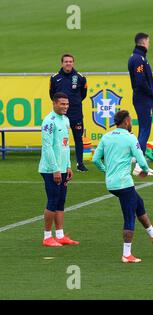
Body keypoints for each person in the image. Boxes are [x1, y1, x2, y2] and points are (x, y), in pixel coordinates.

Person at [92, 110, 153, 263]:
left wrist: (106, 170)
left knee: (138, 204)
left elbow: (96, 159)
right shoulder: (130, 138)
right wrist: (145, 170)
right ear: (126, 121)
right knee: (129, 217)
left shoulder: (106, 137)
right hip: (124, 183)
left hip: (111, 183)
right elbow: (140, 158)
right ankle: (126, 254)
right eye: (130, 120)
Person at [39, 92, 79, 247]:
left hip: (62, 168)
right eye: (62, 104)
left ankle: (60, 235)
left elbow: (65, 145)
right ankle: (47, 237)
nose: (65, 107)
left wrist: (68, 166)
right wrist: (55, 169)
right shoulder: (49, 121)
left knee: (61, 201)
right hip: (50, 169)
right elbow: (47, 147)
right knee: (53, 200)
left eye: (67, 104)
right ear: (54, 103)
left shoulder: (66, 120)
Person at [49, 54, 88, 172]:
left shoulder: (80, 78)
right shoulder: (55, 78)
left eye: (70, 61)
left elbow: (83, 94)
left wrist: (74, 103)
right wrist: (61, 107)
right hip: (60, 115)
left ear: (73, 63)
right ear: (62, 63)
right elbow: (52, 95)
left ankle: (80, 164)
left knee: (78, 138)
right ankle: (58, 163)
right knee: (59, 139)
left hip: (76, 114)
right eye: (66, 61)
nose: (68, 64)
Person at [128, 32, 153, 174]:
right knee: (145, 130)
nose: (149, 44)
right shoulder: (138, 59)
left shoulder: (138, 57)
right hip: (143, 99)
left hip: (142, 98)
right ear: (144, 42)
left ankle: (141, 162)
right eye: (148, 41)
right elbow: (141, 82)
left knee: (143, 130)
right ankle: (139, 166)